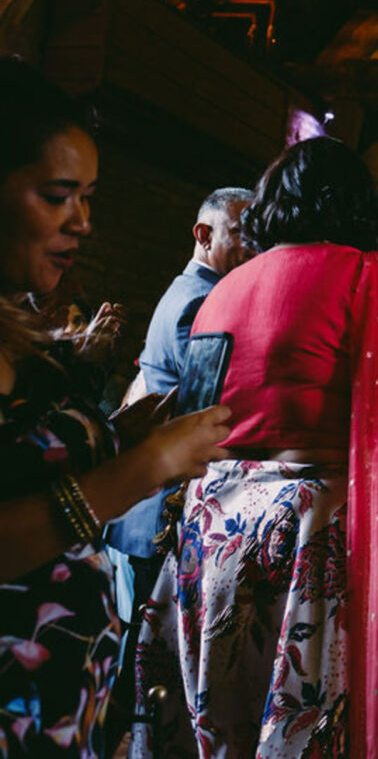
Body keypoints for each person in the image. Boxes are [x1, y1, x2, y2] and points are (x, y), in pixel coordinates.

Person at [132, 137, 378, 758]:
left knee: (225, 719)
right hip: (312, 532)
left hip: (215, 526)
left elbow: (205, 416)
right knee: (309, 730)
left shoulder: (223, 290)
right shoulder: (372, 271)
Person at [0, 59, 231, 757]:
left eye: (88, 197)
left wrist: (118, 436)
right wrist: (147, 465)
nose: (84, 221)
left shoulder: (15, 324)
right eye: (57, 195)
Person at [104, 186, 253, 739]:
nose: (251, 246)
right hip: (160, 506)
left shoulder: (194, 291)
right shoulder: (199, 300)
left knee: (140, 664)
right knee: (139, 671)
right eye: (241, 233)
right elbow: (206, 409)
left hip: (158, 502)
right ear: (203, 234)